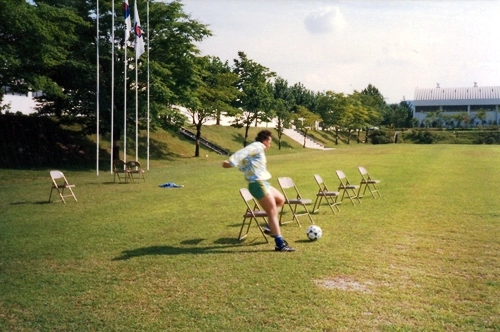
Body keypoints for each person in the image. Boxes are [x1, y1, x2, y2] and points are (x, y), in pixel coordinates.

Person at [222, 129, 295, 252]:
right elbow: (243, 152)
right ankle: (279, 243)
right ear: (265, 141)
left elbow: (246, 162)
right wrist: (231, 162)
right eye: (270, 142)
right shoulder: (257, 146)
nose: (270, 145)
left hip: (263, 182)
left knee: (280, 199)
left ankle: (270, 227)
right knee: (272, 211)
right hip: (258, 183)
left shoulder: (257, 151)